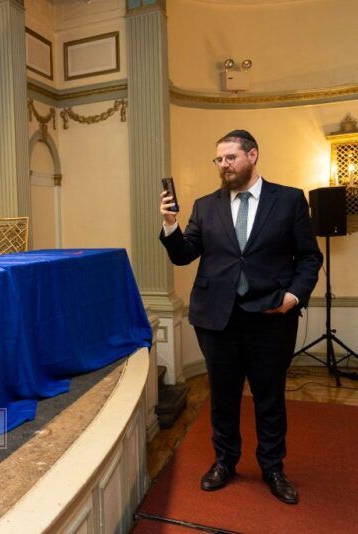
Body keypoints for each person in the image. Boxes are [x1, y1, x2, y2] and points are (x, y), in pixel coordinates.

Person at [159, 130, 322, 505]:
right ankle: (224, 462)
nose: (223, 165)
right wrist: (170, 225)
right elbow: (184, 255)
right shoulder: (205, 205)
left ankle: (273, 468)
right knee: (223, 396)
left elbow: (309, 256)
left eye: (230, 157)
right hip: (217, 319)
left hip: (272, 316)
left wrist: (294, 296)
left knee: (269, 397)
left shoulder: (289, 200)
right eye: (218, 159)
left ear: (253, 155)